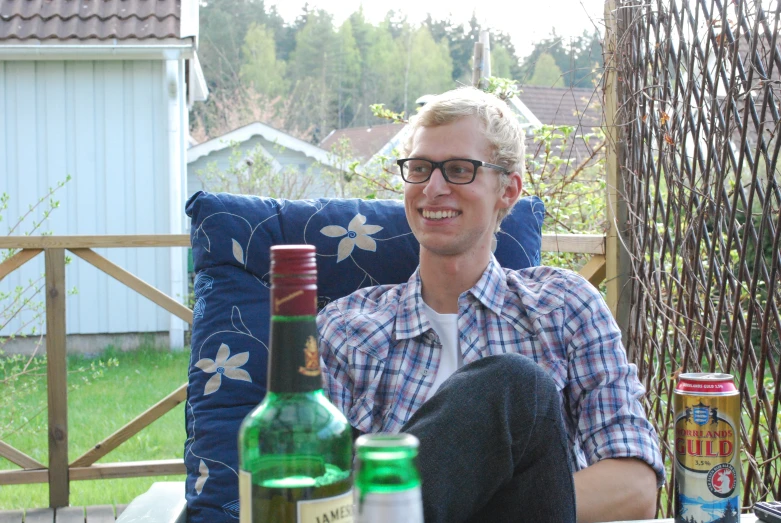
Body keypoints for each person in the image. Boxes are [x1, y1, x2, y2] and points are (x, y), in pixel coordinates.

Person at [318, 86, 664, 522]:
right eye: (420, 168)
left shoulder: (564, 308)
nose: (433, 188)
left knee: (514, 385)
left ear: (508, 191)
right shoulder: (345, 328)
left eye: (459, 170)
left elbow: (633, 489)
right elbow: (316, 493)